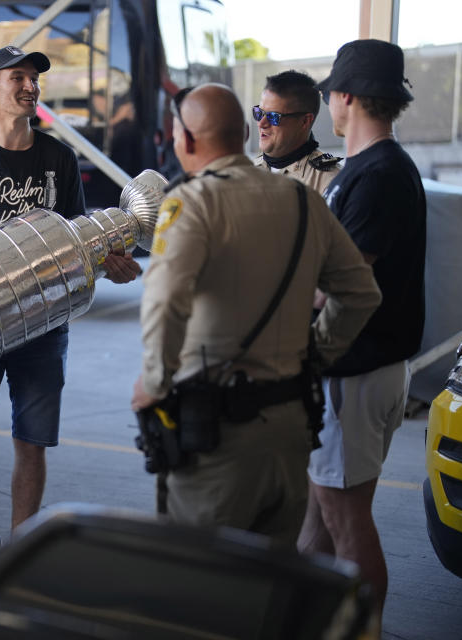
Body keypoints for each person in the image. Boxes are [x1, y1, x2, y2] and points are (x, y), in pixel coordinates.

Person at [0, 45, 142, 585]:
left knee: (31, 439)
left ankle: (19, 555)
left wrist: (110, 265)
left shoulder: (59, 158)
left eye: (34, 78)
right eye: (18, 77)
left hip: (42, 322)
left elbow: (76, 245)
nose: (30, 86)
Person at [130, 84, 381, 548]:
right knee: (269, 585)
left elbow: (164, 302)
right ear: (247, 131)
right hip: (291, 430)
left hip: (217, 436)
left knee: (200, 582)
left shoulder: (190, 203)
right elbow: (361, 294)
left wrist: (154, 382)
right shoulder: (303, 200)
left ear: (185, 140)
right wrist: (317, 355)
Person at [299, 39, 427, 623]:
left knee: (346, 521)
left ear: (344, 96)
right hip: (360, 372)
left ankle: (365, 630)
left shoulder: (377, 175)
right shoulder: (368, 170)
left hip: (355, 372)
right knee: (320, 522)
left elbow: (340, 284)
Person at [253, 70, 341, 194]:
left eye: (273, 116)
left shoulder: (330, 183)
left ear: (305, 121)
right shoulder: (247, 171)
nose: (261, 123)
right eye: (259, 113)